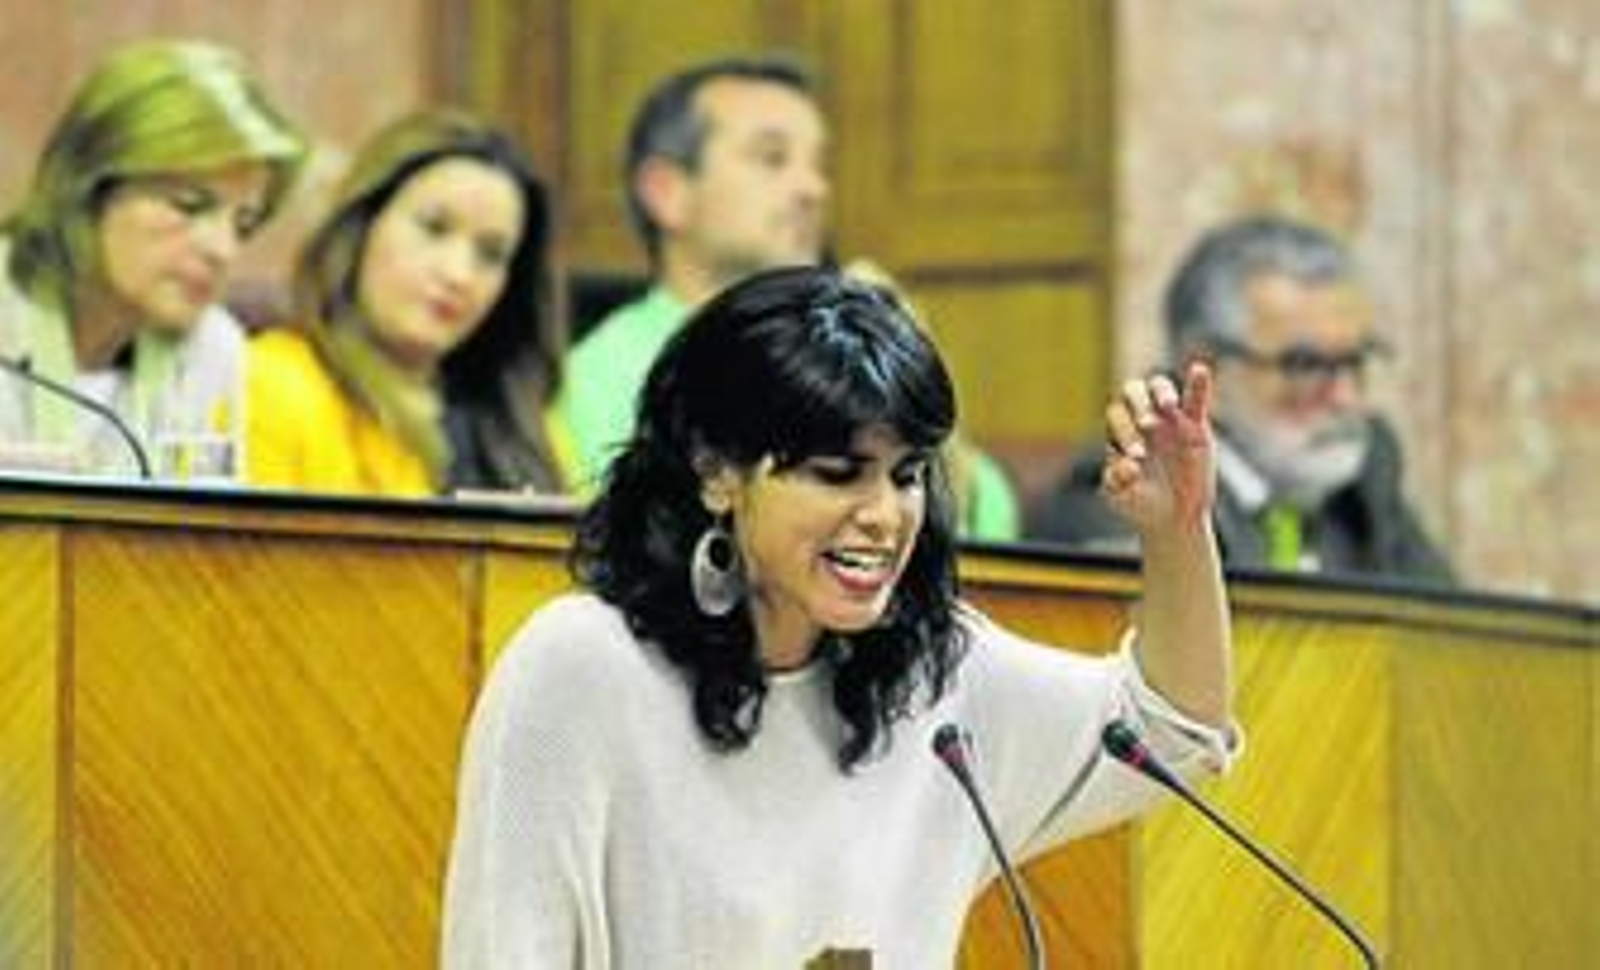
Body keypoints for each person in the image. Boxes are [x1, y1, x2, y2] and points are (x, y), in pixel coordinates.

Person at [443, 266, 1237, 966]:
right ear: (717, 470)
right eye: (837, 474)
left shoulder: (940, 680)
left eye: (907, 474)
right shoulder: (580, 668)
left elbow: (1172, 733)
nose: (886, 516)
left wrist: (1176, 533)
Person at [555, 54, 1021, 538]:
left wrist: (907, 363)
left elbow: (989, 522)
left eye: (819, 165)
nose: (813, 188)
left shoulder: (844, 339)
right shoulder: (598, 374)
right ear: (667, 191)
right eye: (772, 158)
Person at [1029, 214, 1454, 583]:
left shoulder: (1364, 471)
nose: (1345, 397)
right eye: (1305, 365)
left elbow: (1452, 634)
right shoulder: (1130, 491)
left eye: (1355, 361)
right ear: (1206, 370)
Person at [0, 39, 306, 480]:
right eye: (188, 205)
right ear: (88, 189)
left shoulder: (212, 349)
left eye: (243, 223)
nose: (222, 248)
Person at [246, 109, 573, 497]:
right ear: (363, 224)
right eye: (434, 228)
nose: (459, 274)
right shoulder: (272, 382)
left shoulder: (523, 416)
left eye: (491, 254)